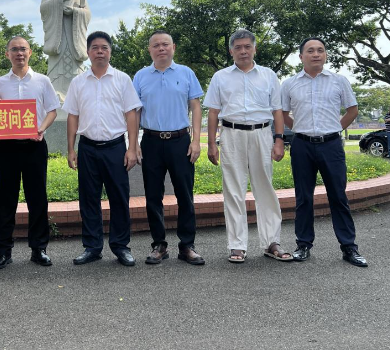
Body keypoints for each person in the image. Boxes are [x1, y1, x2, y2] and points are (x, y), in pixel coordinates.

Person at [205, 29, 292, 263]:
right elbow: (213, 112)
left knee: (265, 188)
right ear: (231, 51)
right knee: (233, 190)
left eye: (247, 46)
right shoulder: (220, 77)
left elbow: (277, 111)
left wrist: (279, 140)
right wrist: (211, 143)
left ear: (255, 48)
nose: (243, 51)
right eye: (238, 47)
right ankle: (237, 245)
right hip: (231, 134)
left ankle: (271, 242)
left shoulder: (268, 75)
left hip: (262, 133)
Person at [281, 37, 368, 267]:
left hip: (331, 146)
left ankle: (349, 247)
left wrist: (334, 128)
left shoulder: (339, 81)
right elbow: (282, 113)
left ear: (326, 55)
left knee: (338, 196)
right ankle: (303, 245)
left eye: (320, 50)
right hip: (302, 145)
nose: (316, 54)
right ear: (301, 56)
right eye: (310, 50)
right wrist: (299, 127)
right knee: (303, 197)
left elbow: (352, 110)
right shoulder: (289, 84)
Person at [63, 31, 142, 266]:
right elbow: (72, 116)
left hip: (115, 147)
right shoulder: (78, 82)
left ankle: (121, 246)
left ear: (110, 52)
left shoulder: (122, 79)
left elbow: (131, 115)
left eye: (104, 47)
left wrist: (132, 148)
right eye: (95, 47)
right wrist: (71, 149)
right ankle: (92, 247)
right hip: (87, 148)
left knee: (119, 198)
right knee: (89, 199)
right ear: (88, 52)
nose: (100, 51)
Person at [132, 30, 205, 265]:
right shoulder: (141, 76)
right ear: (149, 50)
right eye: (156, 45)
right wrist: (133, 144)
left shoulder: (186, 73)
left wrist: (196, 140)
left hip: (180, 141)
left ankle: (187, 245)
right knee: (153, 195)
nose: (161, 48)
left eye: (165, 44)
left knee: (185, 194)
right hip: (151, 141)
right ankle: (159, 245)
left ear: (173, 47)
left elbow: (195, 106)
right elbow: (135, 112)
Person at [0, 36, 60, 269]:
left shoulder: (42, 81)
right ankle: (2, 251)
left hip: (35, 145)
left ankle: (39, 249)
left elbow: (52, 110)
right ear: (7, 54)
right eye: (14, 49)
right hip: (7, 147)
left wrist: (41, 128)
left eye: (23, 49)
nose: (19, 53)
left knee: (37, 197)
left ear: (30, 52)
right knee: (5, 198)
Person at [40, 0, 91, 100]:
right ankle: (55, 94)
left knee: (76, 74)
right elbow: (43, 10)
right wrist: (59, 1)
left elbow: (87, 14)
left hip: (74, 42)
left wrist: (74, 11)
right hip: (57, 41)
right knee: (56, 72)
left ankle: (77, 95)